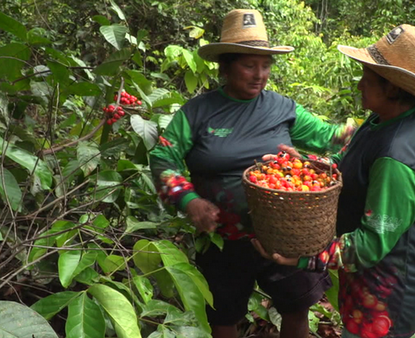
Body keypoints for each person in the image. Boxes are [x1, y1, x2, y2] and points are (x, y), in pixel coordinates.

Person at [148, 9, 355, 338]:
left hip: (285, 234)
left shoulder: (282, 108)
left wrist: (362, 128)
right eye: (248, 64)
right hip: (223, 240)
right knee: (223, 316)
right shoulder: (198, 113)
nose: (260, 74)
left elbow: (330, 138)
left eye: (266, 65)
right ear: (226, 66)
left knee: (296, 308)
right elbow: (163, 155)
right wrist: (188, 200)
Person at [253, 24, 415, 338]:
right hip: (371, 279)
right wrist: (303, 166)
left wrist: (304, 258)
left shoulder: (397, 157)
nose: (360, 85)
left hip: (392, 286)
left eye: (368, 79)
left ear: (393, 88)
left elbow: (369, 245)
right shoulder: (384, 121)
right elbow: (353, 166)